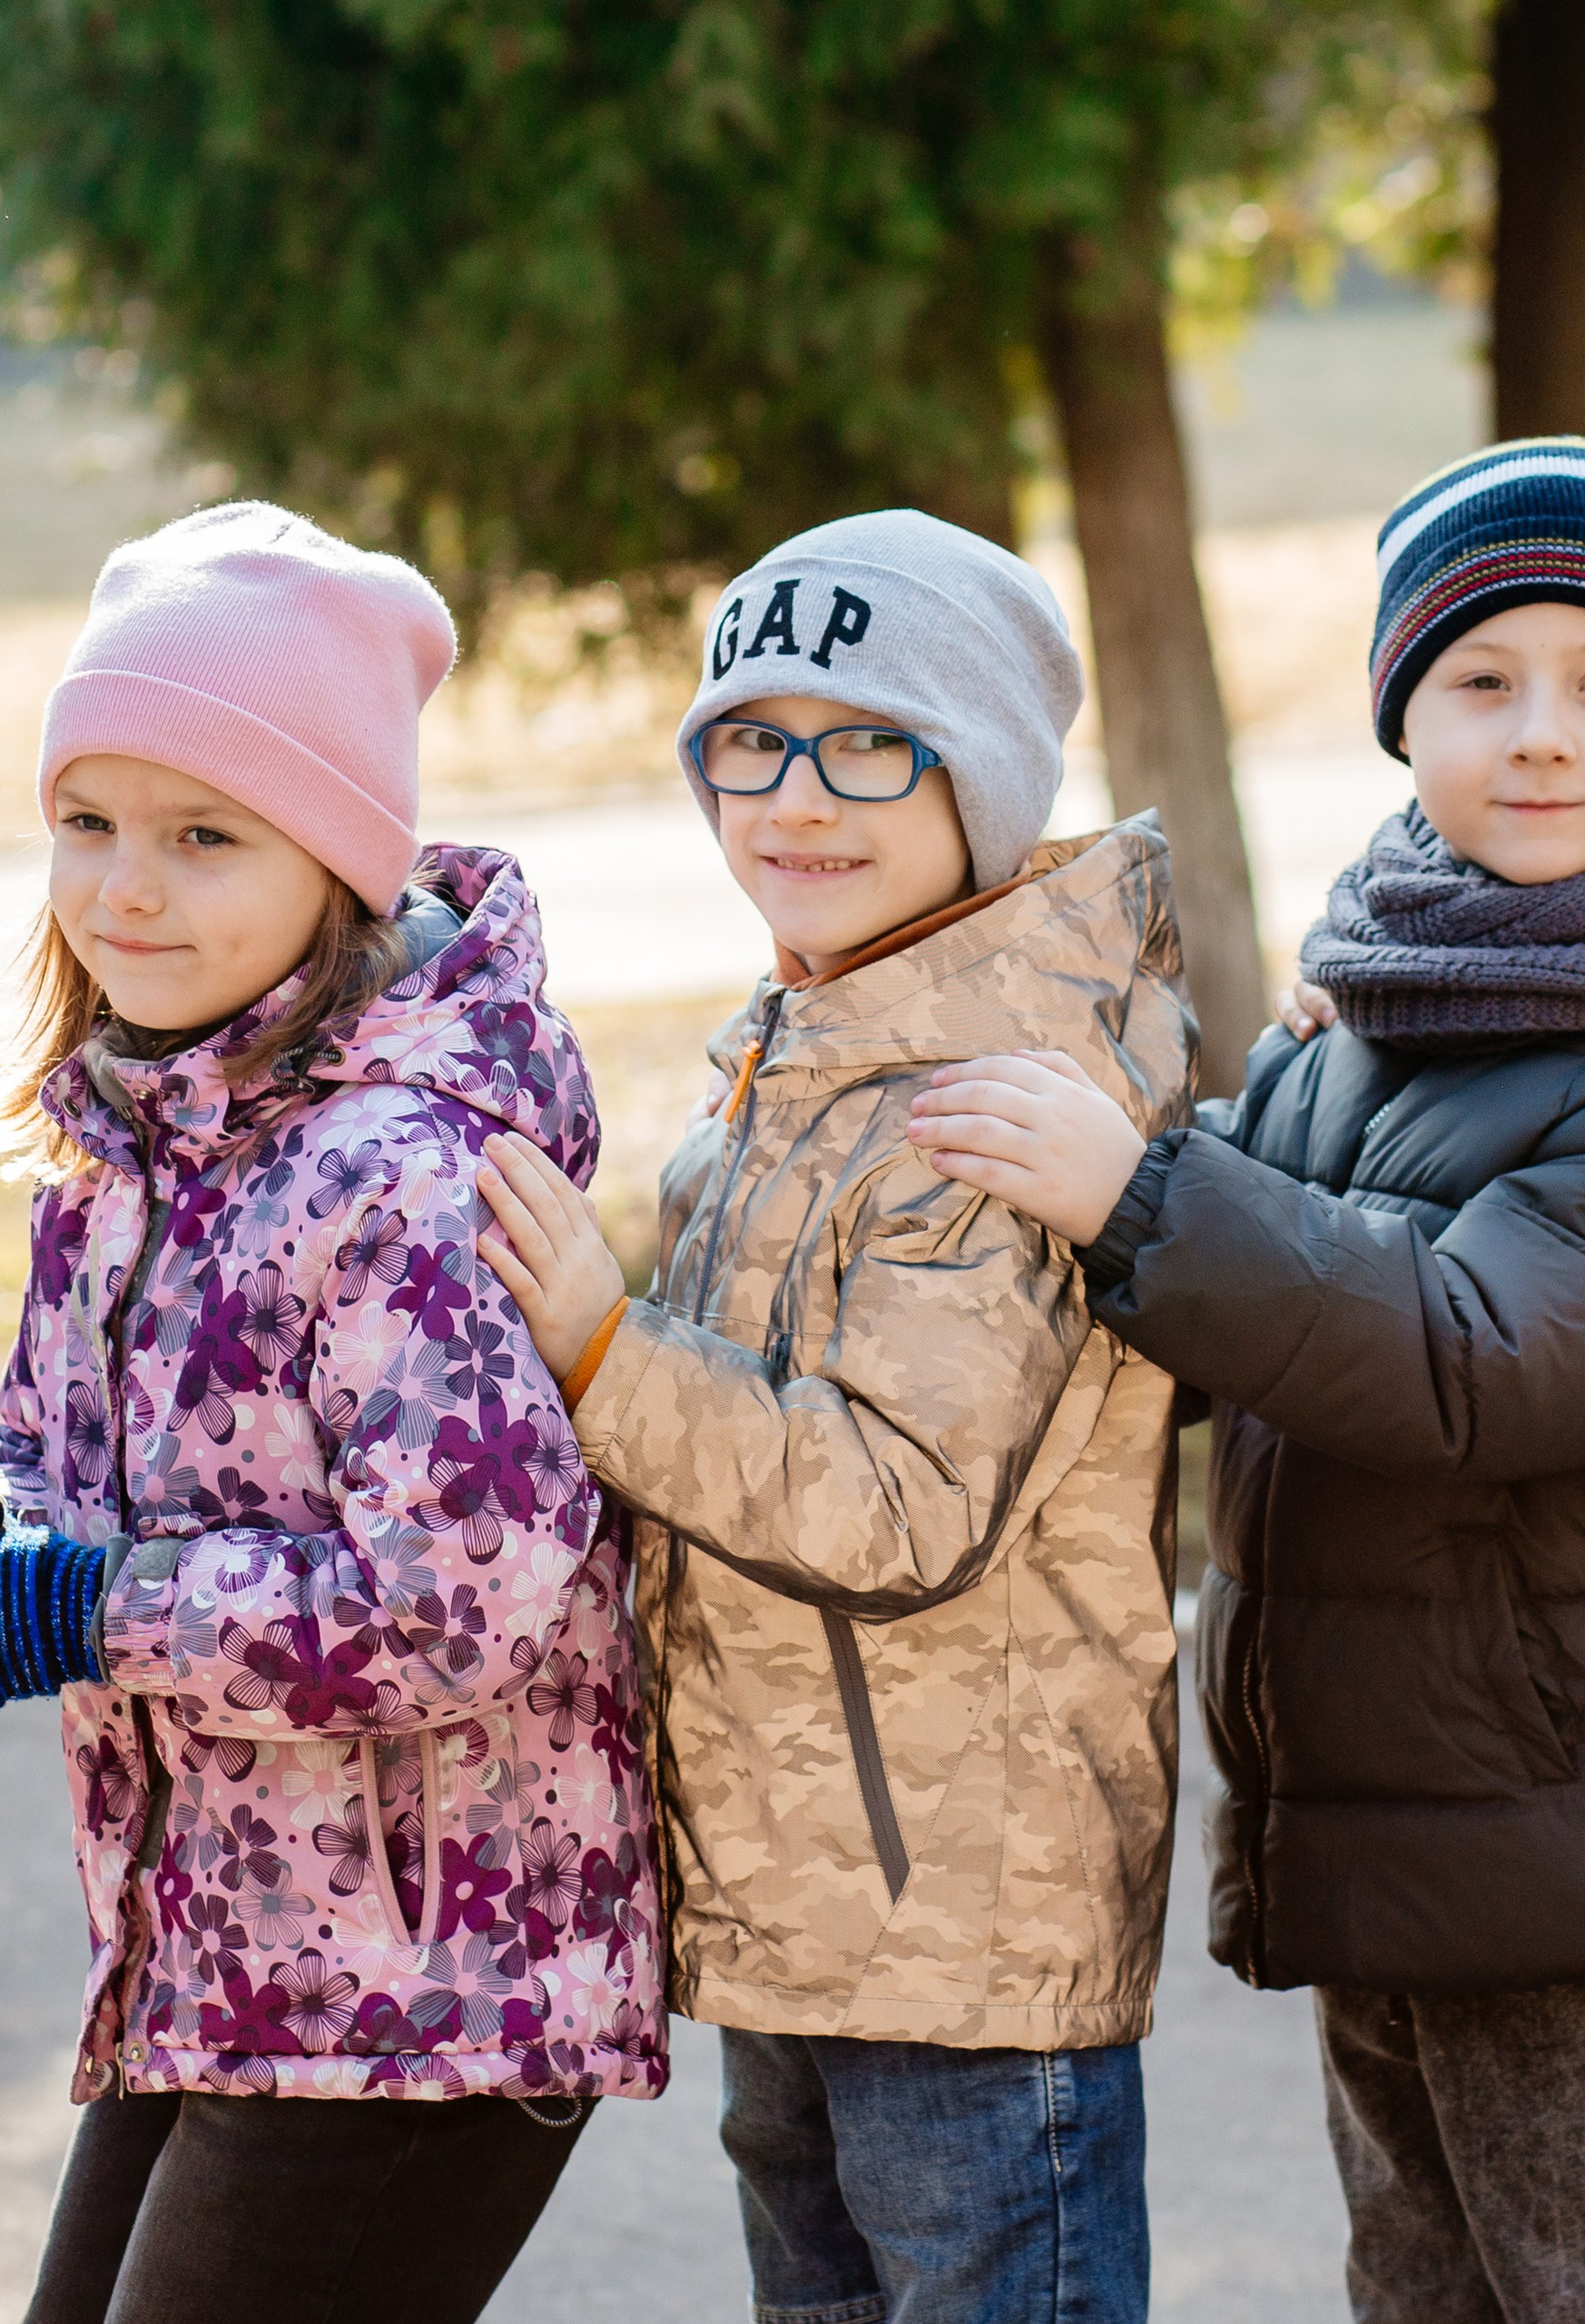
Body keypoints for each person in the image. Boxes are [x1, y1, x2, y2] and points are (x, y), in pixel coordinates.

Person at [905, 438, 1585, 2324]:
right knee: (1424, 2292)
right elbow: (1258, 1302)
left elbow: (1463, 1350)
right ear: (1402, 718)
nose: (1537, 734)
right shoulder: (1390, 1000)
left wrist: (1144, 1189)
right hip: (1399, 1828)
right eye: (1477, 680)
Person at [472, 508, 1196, 2323]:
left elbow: (896, 1502)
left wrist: (601, 1355)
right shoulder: (790, 1056)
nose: (793, 795)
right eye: (748, 738)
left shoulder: (992, 1105)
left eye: (869, 741)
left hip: (957, 1923)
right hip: (806, 1892)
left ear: (984, 777)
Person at [0, 504, 664, 2324]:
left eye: (204, 835)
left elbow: (448, 1601)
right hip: (221, 1953)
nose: (124, 887)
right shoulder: (121, 1154)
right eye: (87, 821)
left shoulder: (402, 1177)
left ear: (339, 864)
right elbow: (52, 1462)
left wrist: (84, 1603)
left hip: (437, 1983)